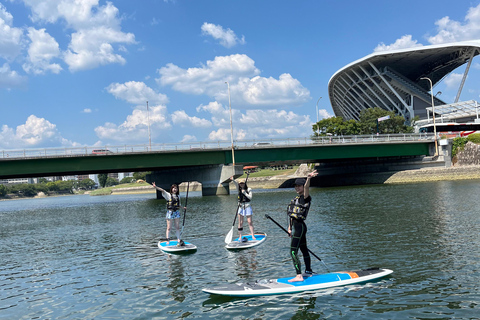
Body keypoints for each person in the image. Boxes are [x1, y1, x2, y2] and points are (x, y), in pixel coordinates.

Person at [287, 169, 318, 282]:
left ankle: (299, 275)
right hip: (297, 228)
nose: (297, 188)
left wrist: (308, 179)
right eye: (296, 186)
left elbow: (306, 188)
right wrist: (289, 228)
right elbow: (292, 216)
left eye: (299, 186)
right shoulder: (295, 199)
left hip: (300, 228)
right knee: (304, 249)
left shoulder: (305, 198)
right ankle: (308, 271)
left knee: (293, 251)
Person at [152, 182, 186, 246]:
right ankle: (168, 239)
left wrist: (183, 208)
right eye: (173, 188)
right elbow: (162, 190)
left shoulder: (178, 196)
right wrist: (155, 187)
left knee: (177, 227)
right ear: (171, 189)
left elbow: (178, 205)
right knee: (169, 228)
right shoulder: (168, 195)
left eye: (176, 188)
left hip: (176, 213)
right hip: (170, 213)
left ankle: (178, 239)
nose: (174, 189)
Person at [231, 176, 255, 241]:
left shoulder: (249, 189)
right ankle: (240, 236)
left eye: (243, 183)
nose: (241, 184)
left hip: (247, 207)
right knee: (240, 223)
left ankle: (252, 235)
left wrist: (244, 193)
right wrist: (233, 179)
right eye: (240, 184)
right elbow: (235, 183)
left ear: (245, 184)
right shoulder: (238, 189)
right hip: (241, 207)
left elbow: (250, 197)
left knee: (249, 222)